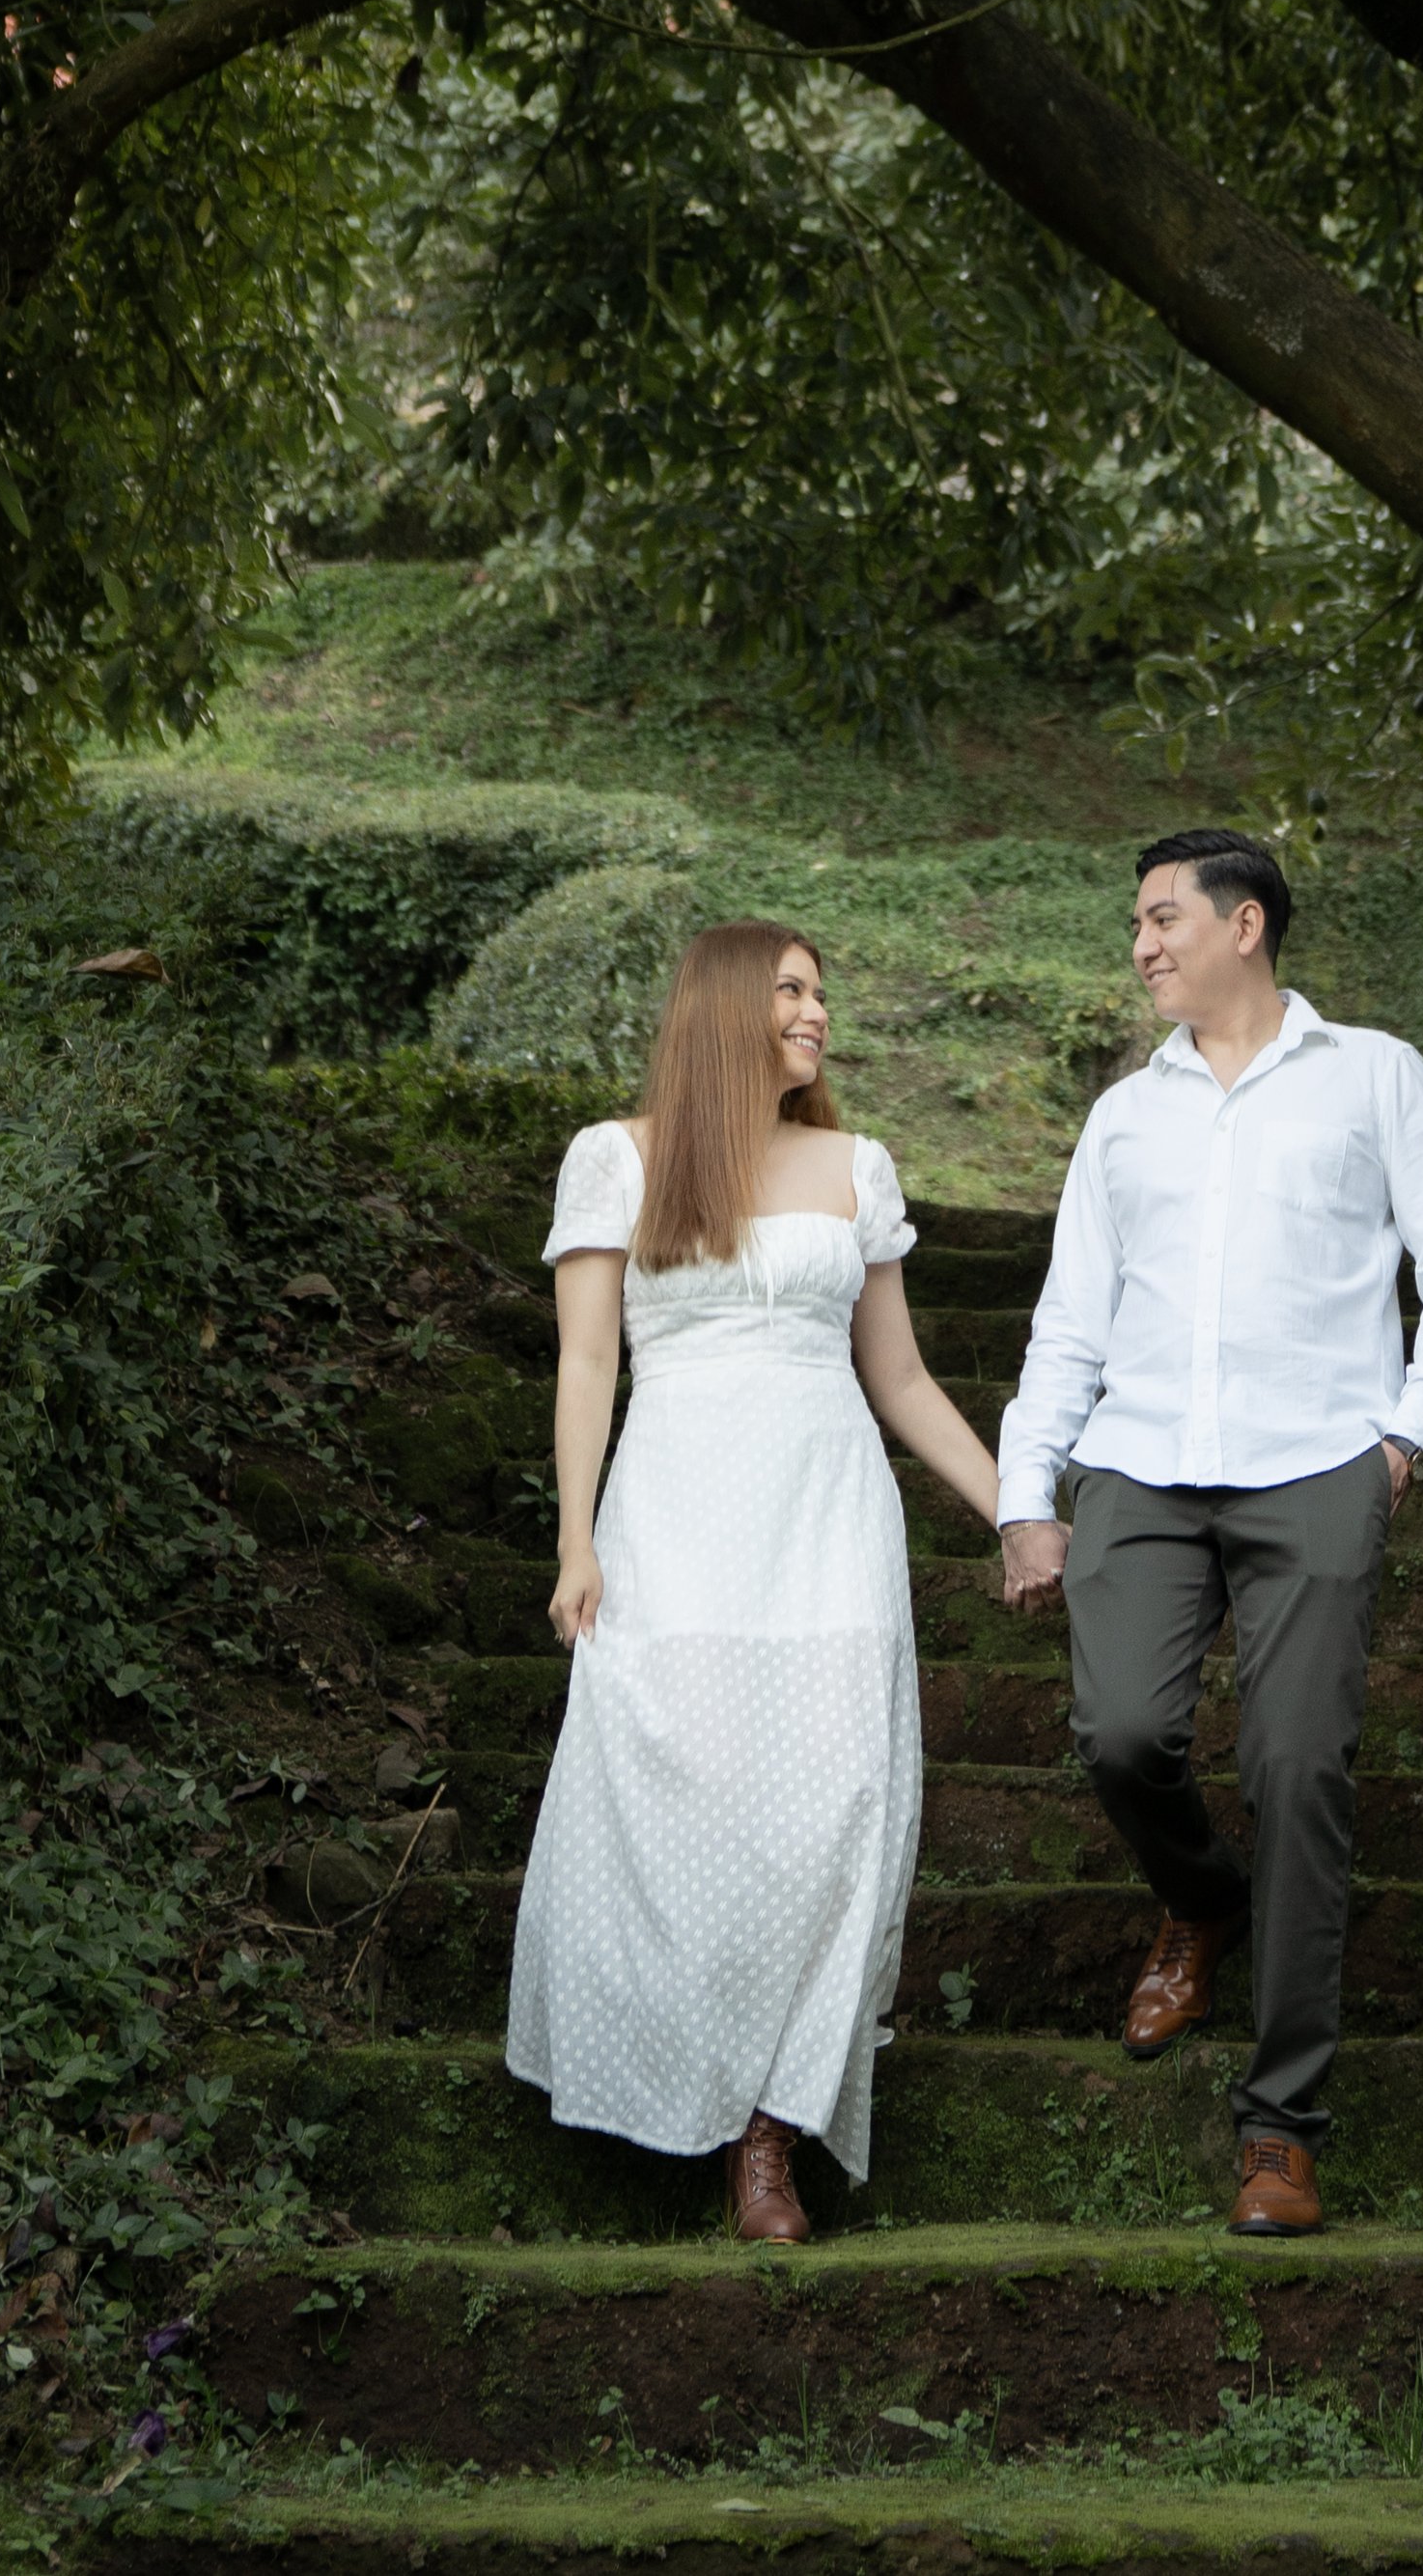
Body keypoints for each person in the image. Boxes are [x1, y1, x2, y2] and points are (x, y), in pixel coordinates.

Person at [996, 827, 1423, 2237]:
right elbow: (1070, 1320)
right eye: (1137, 923)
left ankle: (1280, 2126)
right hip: (1142, 1466)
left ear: (1247, 923)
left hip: (1318, 1464)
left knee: (1298, 1766)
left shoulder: (1375, 1075)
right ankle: (1201, 1901)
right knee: (1118, 1730)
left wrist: (1409, 1432)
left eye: (1162, 917)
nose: (1143, 944)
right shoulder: (1125, 1116)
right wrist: (1026, 1494)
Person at [506, 921, 1000, 2242]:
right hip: (673, 1513)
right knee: (685, 1792)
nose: (818, 1010)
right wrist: (575, 1541)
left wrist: (1018, 1508)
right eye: (791, 988)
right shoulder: (618, 1159)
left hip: (827, 1522)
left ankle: (773, 2133)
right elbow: (587, 1366)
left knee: (839, 1803)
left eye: (823, 989)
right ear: (725, 1003)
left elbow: (896, 1376)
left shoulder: (856, 1167)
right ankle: (699, 2091)